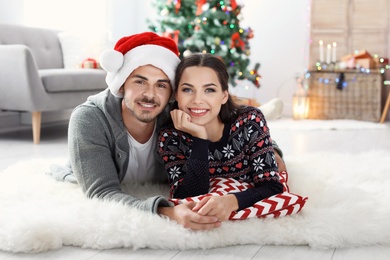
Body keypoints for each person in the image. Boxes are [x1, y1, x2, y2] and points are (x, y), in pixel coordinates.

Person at [50, 32, 286, 230]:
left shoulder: (172, 111)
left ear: (171, 92)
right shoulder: (89, 119)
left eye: (161, 85)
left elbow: (228, 124)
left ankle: (256, 108)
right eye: (140, 81)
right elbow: (102, 193)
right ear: (121, 83)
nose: (150, 95)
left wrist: (272, 150)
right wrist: (168, 212)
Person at [157, 53, 283, 221]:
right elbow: (187, 196)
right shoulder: (170, 136)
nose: (197, 100)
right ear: (176, 95)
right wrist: (200, 138)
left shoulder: (250, 121)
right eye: (188, 89)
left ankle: (272, 144)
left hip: (247, 130)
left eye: (209, 90)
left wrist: (231, 201)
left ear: (224, 95)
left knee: (277, 162)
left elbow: (272, 187)